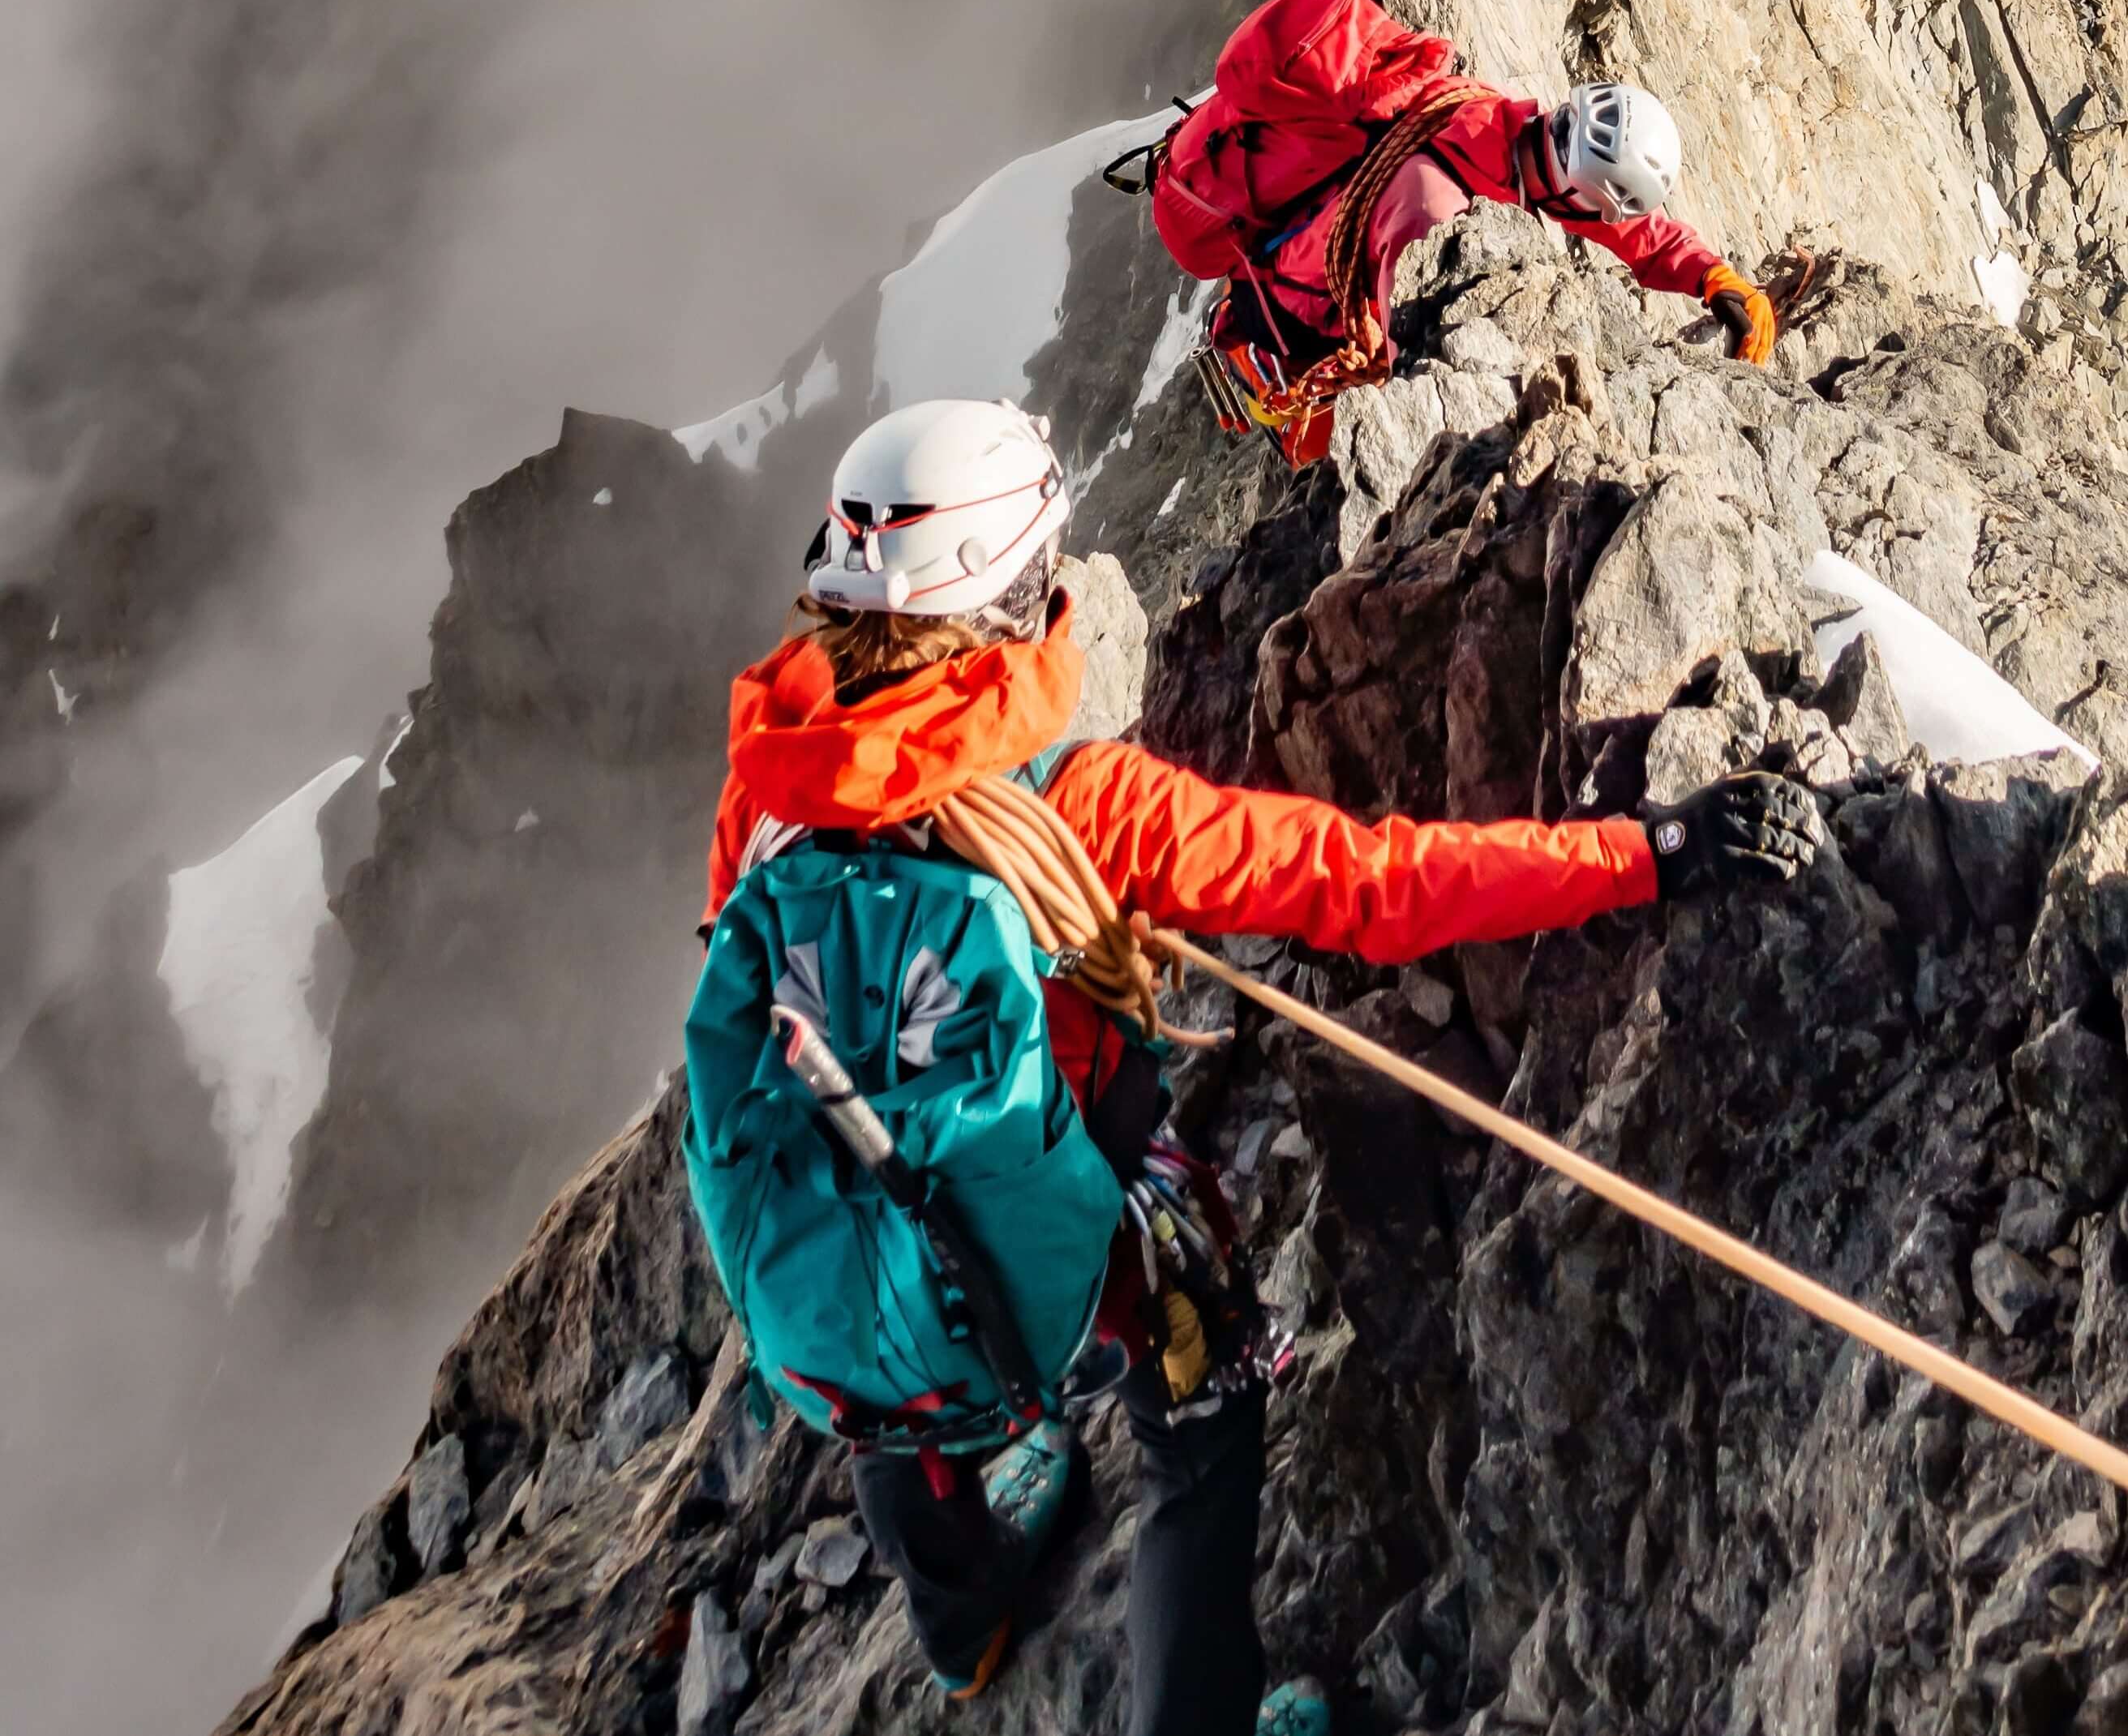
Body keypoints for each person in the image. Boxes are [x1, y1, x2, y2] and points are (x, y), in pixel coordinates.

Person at [686, 396, 1820, 1733]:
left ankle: (964, 1624)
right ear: (1015, 593)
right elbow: (1365, 883)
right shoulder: (1081, 803)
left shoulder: (775, 775)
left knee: (906, 1382)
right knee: (1202, 1420)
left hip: (841, 1216)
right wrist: (1641, 852)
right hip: (1085, 1190)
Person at [1135, 0, 1778, 461]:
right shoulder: (1436, 205)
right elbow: (1387, 346)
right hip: (1287, 338)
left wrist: (1710, 273)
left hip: (1298, 282)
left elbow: (1617, 223)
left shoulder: (1494, 123)